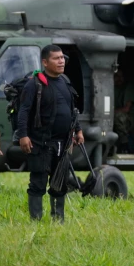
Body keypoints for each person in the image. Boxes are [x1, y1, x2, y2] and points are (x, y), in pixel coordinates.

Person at [16, 45, 84, 222]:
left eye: (62, 58)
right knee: (38, 182)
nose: (61, 61)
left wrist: (78, 130)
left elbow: (71, 110)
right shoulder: (34, 84)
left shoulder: (65, 82)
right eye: (56, 58)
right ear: (45, 62)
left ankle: (57, 220)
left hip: (63, 143)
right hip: (40, 143)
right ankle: (36, 220)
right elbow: (23, 111)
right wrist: (23, 135)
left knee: (60, 182)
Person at [113, 71, 134, 153]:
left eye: (121, 76)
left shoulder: (128, 88)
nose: (119, 79)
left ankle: (124, 145)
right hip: (116, 120)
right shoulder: (111, 88)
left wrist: (111, 113)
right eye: (117, 76)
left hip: (131, 122)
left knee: (118, 116)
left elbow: (126, 109)